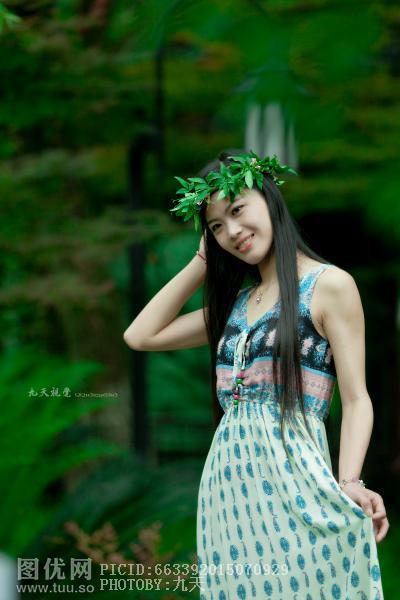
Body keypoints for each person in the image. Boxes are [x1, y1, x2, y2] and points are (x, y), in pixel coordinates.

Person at [123, 149, 389, 599]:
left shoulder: (329, 285)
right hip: (228, 493)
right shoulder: (236, 306)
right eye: (215, 226)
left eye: (237, 210)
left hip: (297, 479)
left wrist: (349, 481)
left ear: (269, 199)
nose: (231, 232)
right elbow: (140, 335)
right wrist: (201, 260)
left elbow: (357, 398)